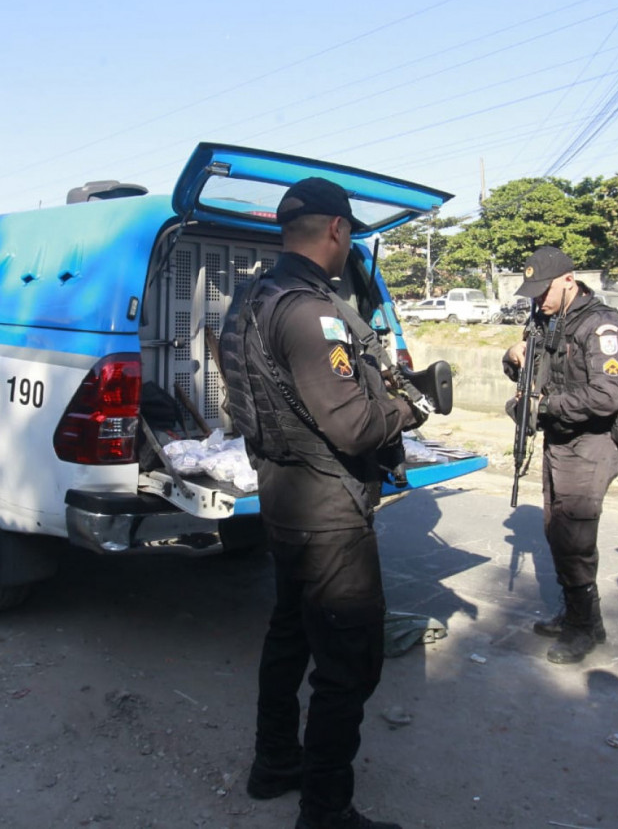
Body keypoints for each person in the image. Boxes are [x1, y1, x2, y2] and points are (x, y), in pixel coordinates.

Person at [220, 177, 428, 829]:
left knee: (288, 636)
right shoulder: (313, 312)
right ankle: (325, 811)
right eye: (351, 235)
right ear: (336, 229)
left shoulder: (250, 300)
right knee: (346, 667)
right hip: (327, 512)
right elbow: (354, 427)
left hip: (280, 500)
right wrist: (409, 408)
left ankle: (273, 763)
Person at [503, 245, 618, 664]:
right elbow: (534, 371)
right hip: (559, 438)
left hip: (593, 442)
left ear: (569, 280)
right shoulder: (544, 320)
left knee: (574, 536)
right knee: (556, 528)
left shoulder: (601, 325)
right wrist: (513, 356)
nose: (538, 299)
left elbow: (607, 396)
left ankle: (585, 627)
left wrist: (544, 408)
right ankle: (577, 613)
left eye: (544, 290)